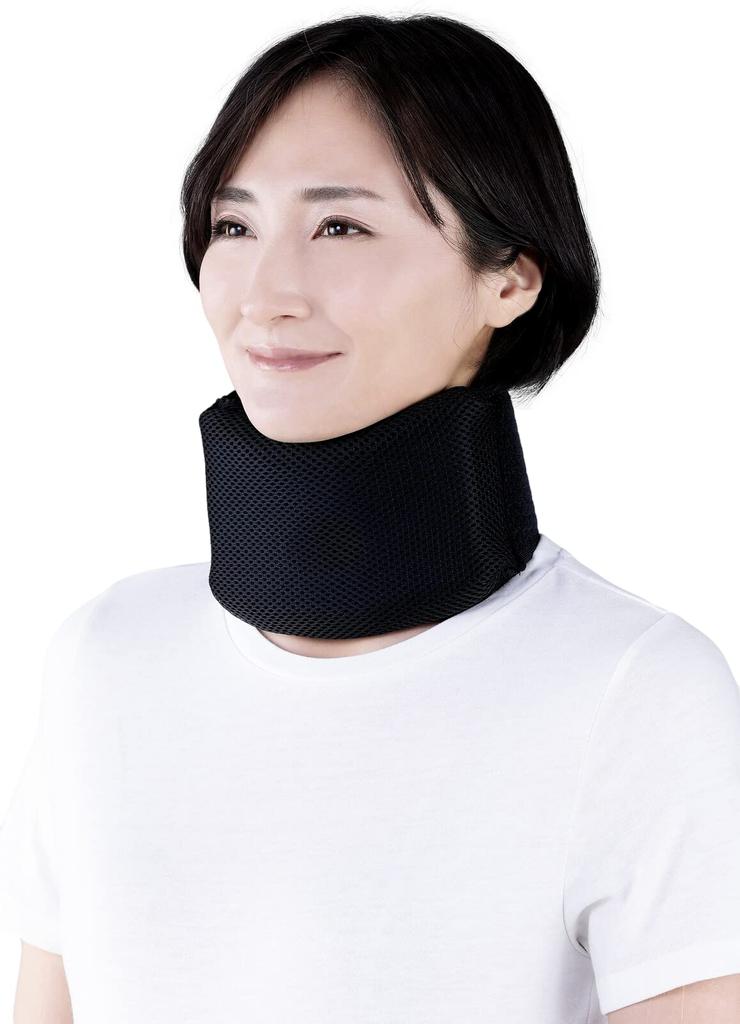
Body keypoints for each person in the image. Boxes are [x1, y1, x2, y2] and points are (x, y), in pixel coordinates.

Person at [2, 13, 740, 1024]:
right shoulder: (103, 657)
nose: (265, 294)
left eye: (339, 227)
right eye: (234, 227)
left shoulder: (635, 690)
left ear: (510, 276)